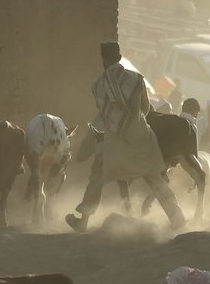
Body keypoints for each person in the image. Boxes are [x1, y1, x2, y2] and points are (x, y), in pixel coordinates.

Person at [66, 42, 185, 232]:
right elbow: (145, 108)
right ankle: (177, 216)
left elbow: (104, 113)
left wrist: (117, 125)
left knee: (98, 177)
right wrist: (133, 121)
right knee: (155, 178)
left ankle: (83, 221)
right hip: (141, 139)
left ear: (103, 60)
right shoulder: (137, 79)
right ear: (120, 58)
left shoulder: (98, 85)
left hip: (115, 144)